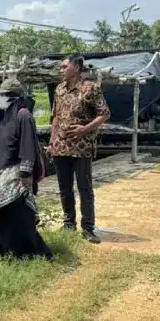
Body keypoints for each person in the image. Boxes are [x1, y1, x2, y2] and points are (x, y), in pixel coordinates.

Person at [47, 53, 111, 244]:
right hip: (60, 147)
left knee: (84, 188)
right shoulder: (59, 89)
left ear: (76, 68)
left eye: (64, 66)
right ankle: (69, 224)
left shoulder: (90, 88)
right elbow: (56, 117)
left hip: (81, 148)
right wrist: (51, 142)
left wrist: (85, 129)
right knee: (64, 188)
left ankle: (88, 228)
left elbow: (104, 113)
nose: (61, 70)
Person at [0, 78, 53, 260]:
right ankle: (11, 253)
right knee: (5, 216)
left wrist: (25, 172)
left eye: (5, 95)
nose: (1, 98)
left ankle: (36, 253)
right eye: (0, 95)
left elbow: (27, 143)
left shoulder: (23, 115)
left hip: (16, 175)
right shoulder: (7, 115)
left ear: (14, 97)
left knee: (21, 217)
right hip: (2, 173)